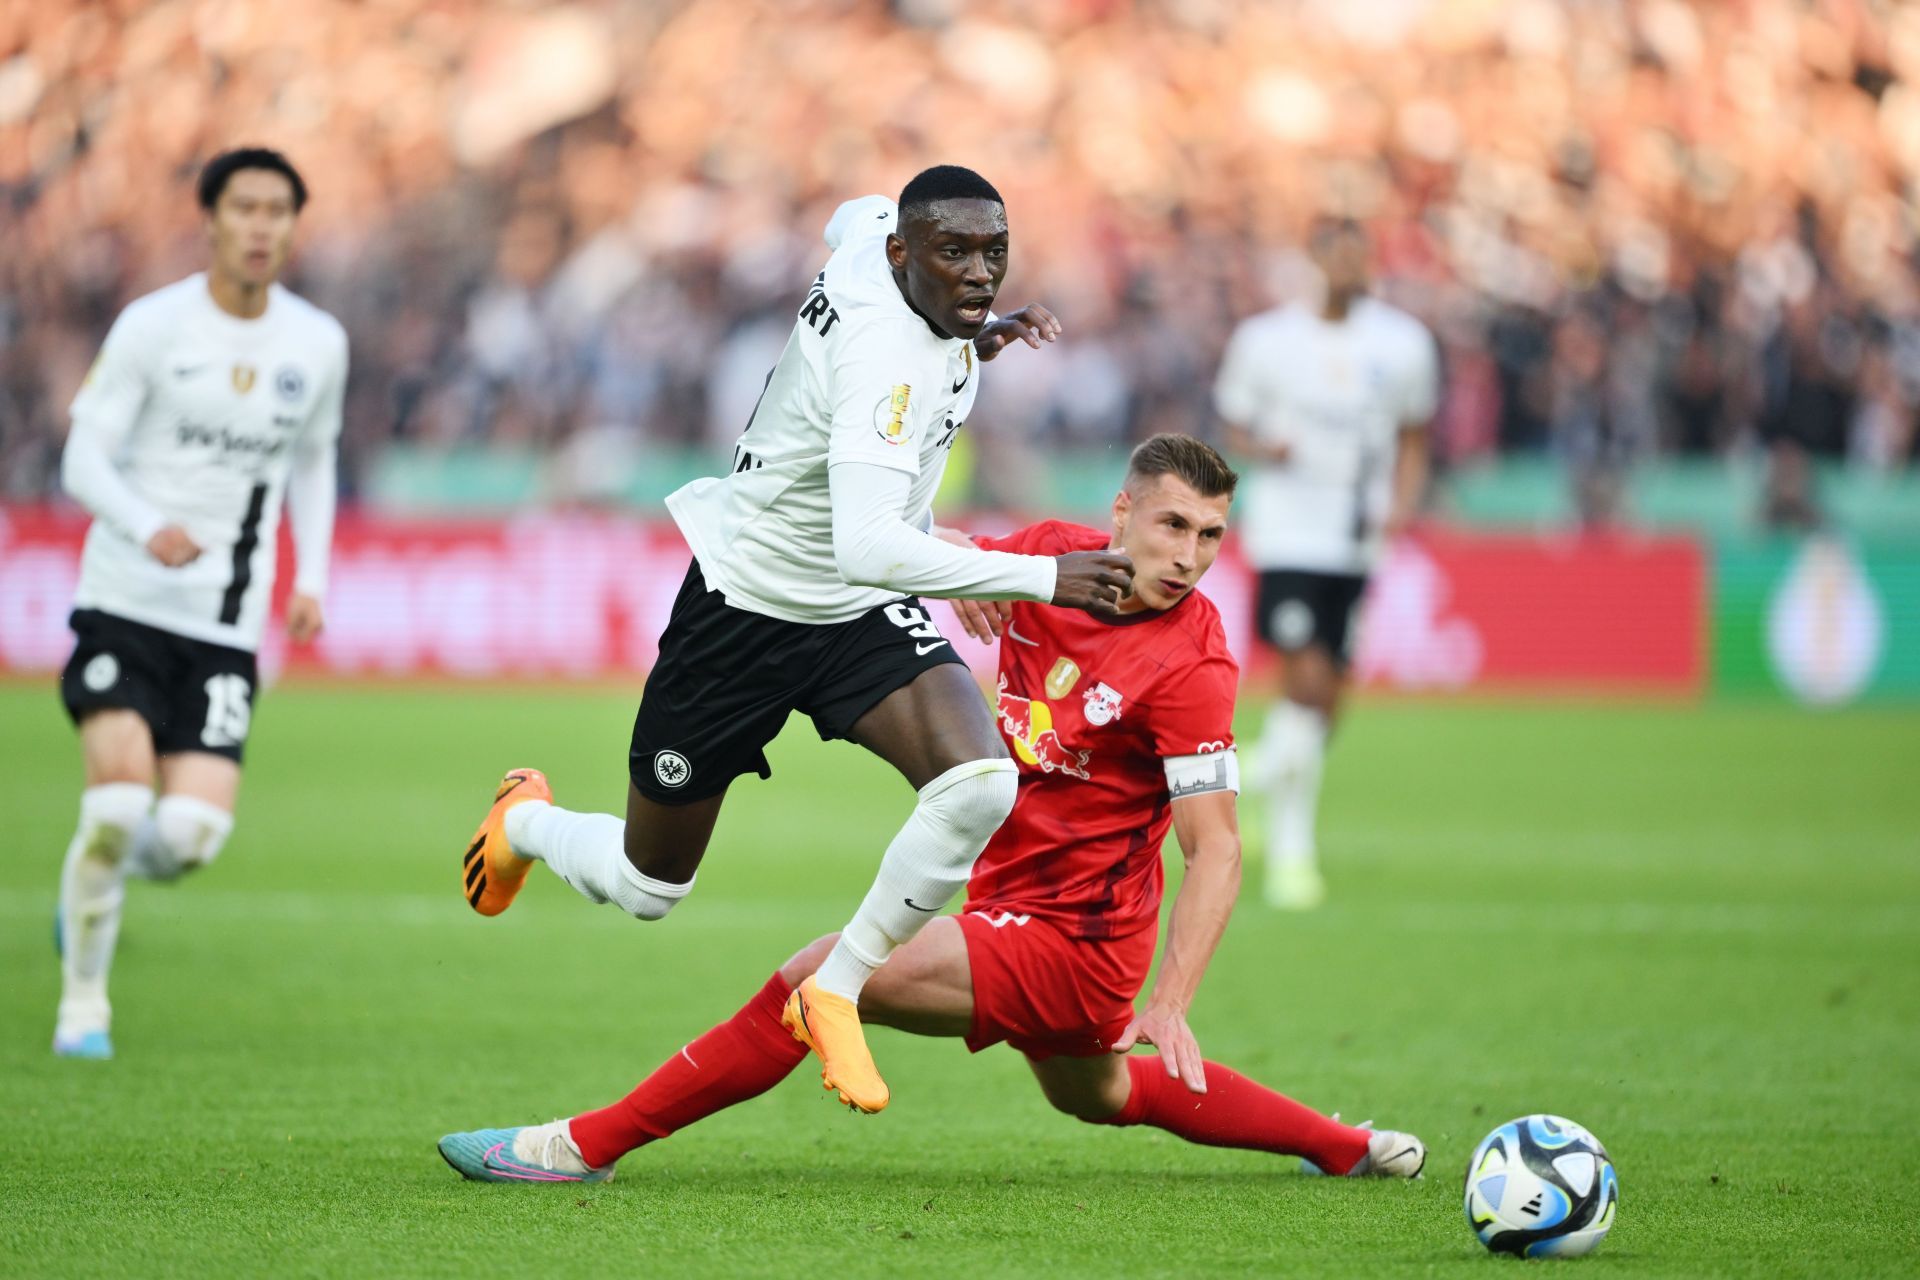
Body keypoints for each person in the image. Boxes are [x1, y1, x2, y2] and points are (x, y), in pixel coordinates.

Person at [437, 434, 1426, 1185]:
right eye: (1172, 525)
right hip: (1009, 895)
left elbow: (1216, 851)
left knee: (818, 977)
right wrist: (964, 556)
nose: (1190, 555)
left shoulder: (1195, 665)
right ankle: (1345, 1147)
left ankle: (580, 1144)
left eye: (1211, 535)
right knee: (1103, 1091)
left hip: (1075, 938)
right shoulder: (1047, 558)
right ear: (1121, 513)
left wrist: (1170, 997)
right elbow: (932, 553)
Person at [458, 165, 1133, 1114]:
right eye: (955, 253)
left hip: (850, 614)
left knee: (979, 781)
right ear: (904, 255)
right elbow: (865, 543)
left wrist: (975, 332)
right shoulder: (884, 362)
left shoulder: (872, 245)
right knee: (651, 887)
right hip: (744, 608)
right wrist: (1035, 575)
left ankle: (837, 985)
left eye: (993, 252)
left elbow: (845, 214)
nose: (980, 272)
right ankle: (524, 821)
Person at [52, 147, 347, 1059]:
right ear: (211, 220)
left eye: (277, 212)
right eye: (245, 208)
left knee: (184, 836)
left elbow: (313, 458)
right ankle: (83, 1007)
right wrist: (146, 525)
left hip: (225, 621)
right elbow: (82, 457)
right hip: (124, 602)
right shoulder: (153, 326)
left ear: (293, 227)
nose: (261, 227)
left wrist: (311, 578)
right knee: (114, 807)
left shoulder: (318, 342)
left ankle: (92, 889)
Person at [1215, 217, 1438, 910]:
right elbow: (1233, 422)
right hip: (1287, 534)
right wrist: (1264, 447)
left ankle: (1246, 777)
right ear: (1312, 261)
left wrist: (1401, 503)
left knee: (1328, 698)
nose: (1350, 267)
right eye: (1337, 255)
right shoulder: (1266, 339)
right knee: (1304, 677)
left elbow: (1413, 434)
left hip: (1355, 535)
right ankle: (1291, 853)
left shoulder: (1401, 343)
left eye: (1359, 255)